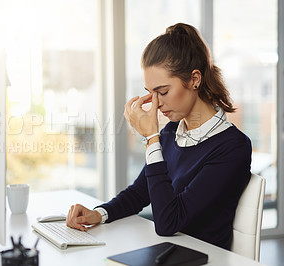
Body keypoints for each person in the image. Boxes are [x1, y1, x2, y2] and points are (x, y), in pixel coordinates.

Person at [66, 23, 252, 250]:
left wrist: (151, 138)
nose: (156, 104)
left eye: (163, 92)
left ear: (194, 79)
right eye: (150, 93)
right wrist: (99, 214)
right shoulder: (172, 131)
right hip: (166, 250)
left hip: (203, 258)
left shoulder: (232, 147)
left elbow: (169, 222)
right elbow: (139, 192)